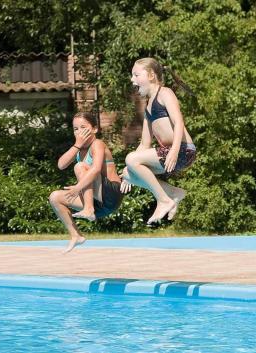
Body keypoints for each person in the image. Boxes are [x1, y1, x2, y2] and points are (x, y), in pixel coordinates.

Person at [121, 57, 197, 225]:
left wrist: (175, 150)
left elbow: (179, 122)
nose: (132, 79)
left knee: (131, 159)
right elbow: (144, 144)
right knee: (128, 172)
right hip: (171, 153)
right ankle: (175, 193)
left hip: (183, 150)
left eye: (136, 75)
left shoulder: (165, 93)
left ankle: (163, 200)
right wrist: (130, 171)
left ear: (151, 75)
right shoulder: (148, 107)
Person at [49, 112, 123, 253]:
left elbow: (95, 170)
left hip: (112, 194)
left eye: (83, 127)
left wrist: (77, 188)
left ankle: (88, 208)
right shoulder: (79, 150)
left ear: (94, 129)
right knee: (55, 197)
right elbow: (61, 165)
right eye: (75, 129)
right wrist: (77, 145)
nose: (79, 131)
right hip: (99, 204)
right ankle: (76, 235)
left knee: (80, 166)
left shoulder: (97, 144)